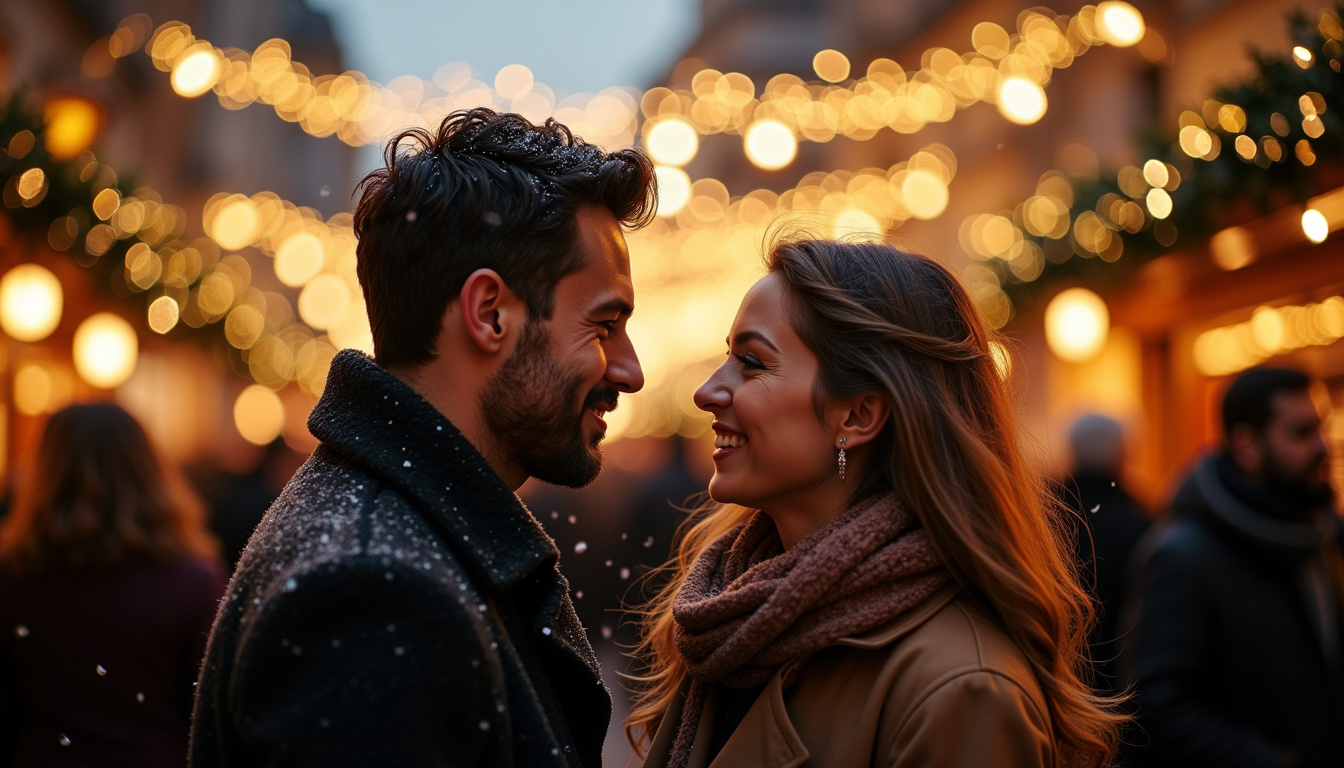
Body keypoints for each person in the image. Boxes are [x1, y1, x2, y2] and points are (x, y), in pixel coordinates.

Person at [189, 108, 656, 768]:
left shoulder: (388, 541)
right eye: (604, 326)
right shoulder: (377, 592)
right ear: (489, 314)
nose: (631, 371)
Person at [628, 238, 1123, 768]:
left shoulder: (962, 691)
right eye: (728, 356)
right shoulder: (729, 623)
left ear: (858, 416)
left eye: (750, 362)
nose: (706, 391)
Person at [1124, 367, 1343, 767]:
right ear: (1247, 446)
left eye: (1321, 428)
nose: (1321, 447)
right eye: (1301, 432)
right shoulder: (1184, 555)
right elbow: (1155, 708)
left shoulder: (1317, 536)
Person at [0, 403, 224, 767]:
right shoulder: (193, 580)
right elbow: (212, 710)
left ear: (43, 471)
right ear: (148, 469)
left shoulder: (13, 576)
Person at [1057, 413, 1150, 696]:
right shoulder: (1141, 527)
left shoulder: (1042, 517)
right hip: (1120, 688)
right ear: (1121, 454)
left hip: (1054, 682)